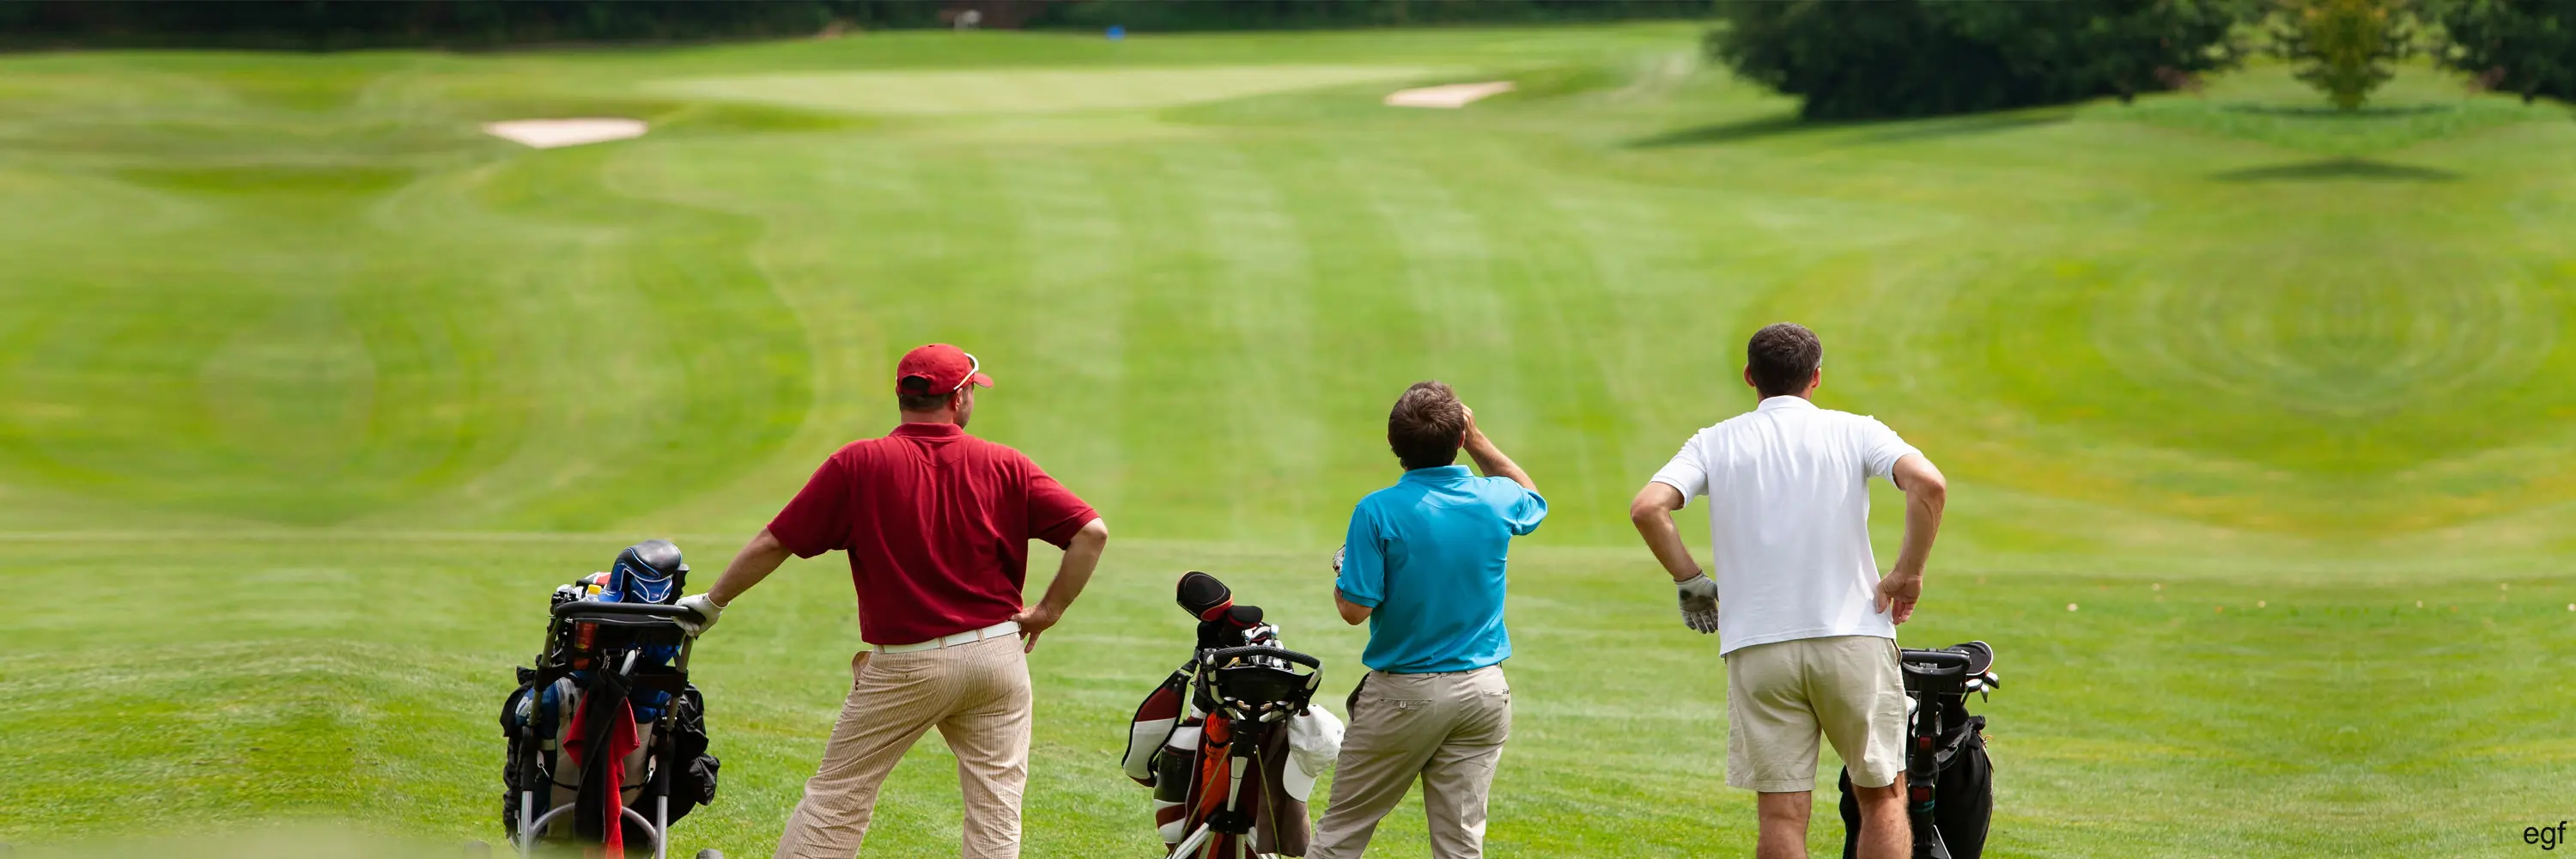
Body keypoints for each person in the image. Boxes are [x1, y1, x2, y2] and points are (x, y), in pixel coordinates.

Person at [672, 343, 1110, 859]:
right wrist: (1047, 613)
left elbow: (776, 542)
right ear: (961, 397)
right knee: (995, 809)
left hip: (907, 665)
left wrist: (714, 602)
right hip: (998, 657)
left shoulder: (859, 463)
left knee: (839, 797)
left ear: (903, 396)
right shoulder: (1004, 464)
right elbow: (1091, 533)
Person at [1626, 322, 1947, 859]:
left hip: (1758, 645)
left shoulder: (1714, 441)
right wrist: (1908, 572)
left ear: (1751, 376)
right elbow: (1929, 485)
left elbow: (1648, 508)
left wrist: (1691, 581)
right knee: (1884, 799)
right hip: (1851, 637)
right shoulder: (1856, 431)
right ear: (1816, 377)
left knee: (1782, 813)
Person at [1310, 381, 1546, 859]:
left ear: (1394, 445)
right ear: (1459, 438)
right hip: (1483, 694)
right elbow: (1532, 499)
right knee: (1460, 846)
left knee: (1341, 834)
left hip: (1403, 696)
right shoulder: (1495, 498)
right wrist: (1477, 438)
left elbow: (1354, 610)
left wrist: (1342, 573)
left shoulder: (1376, 510)